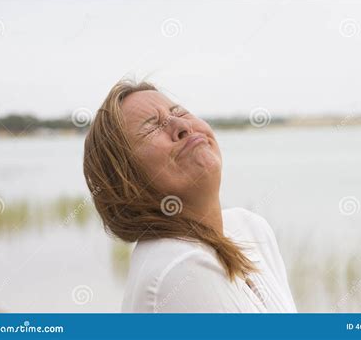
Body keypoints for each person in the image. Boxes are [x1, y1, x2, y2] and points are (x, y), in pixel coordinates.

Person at [83, 80, 297, 313]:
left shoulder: (250, 229)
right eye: (151, 127)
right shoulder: (178, 268)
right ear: (127, 181)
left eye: (179, 111)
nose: (182, 125)